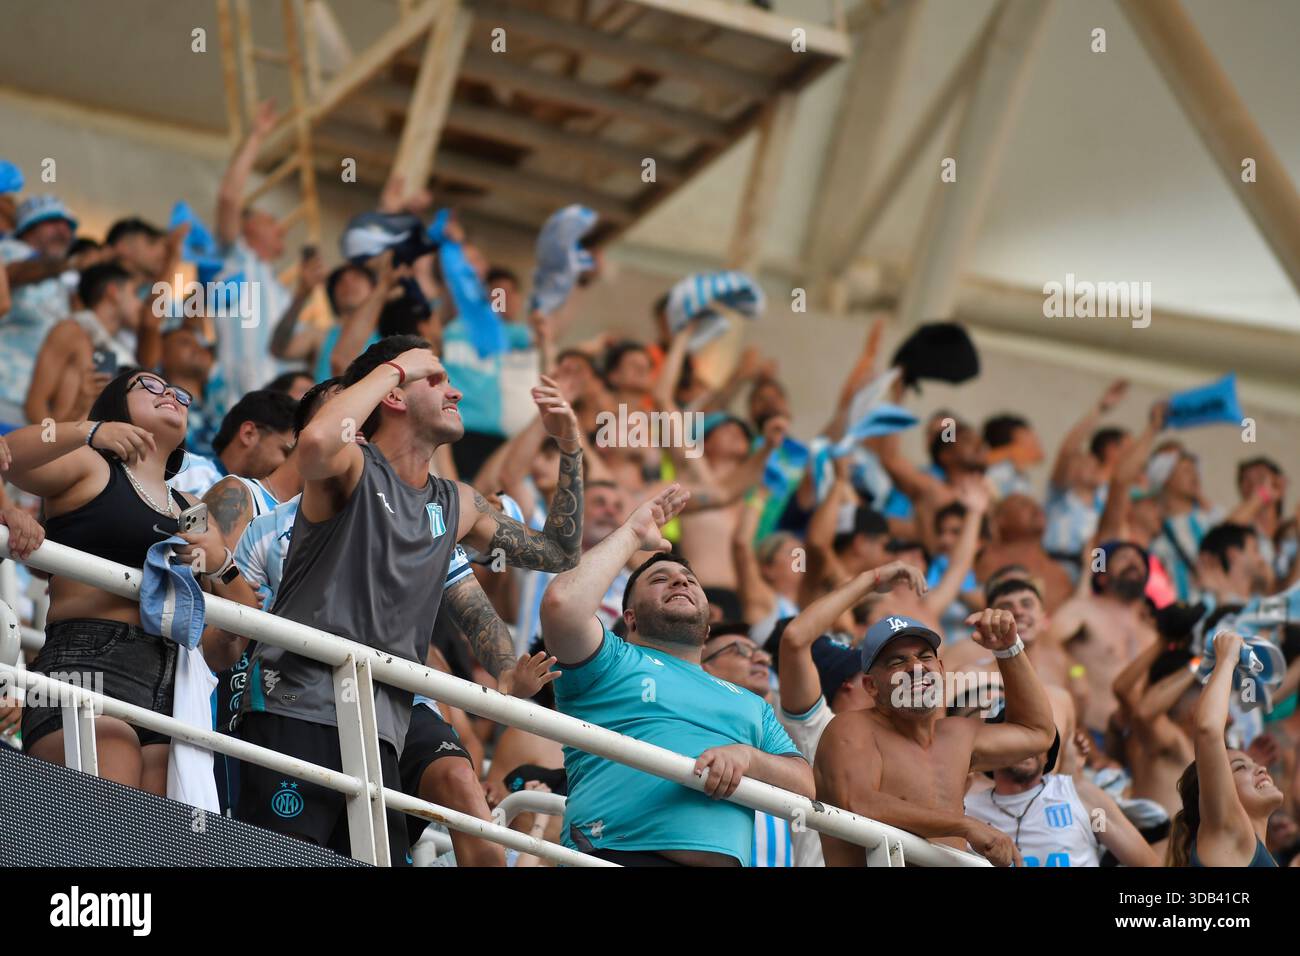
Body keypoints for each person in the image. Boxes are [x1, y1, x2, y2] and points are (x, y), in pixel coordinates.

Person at [233, 336, 584, 864]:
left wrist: (570, 450)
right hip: (296, 710)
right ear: (395, 394)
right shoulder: (350, 465)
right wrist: (396, 368)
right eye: (437, 379)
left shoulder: (458, 501)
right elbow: (314, 444)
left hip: (382, 732)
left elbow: (558, 551)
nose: (456, 392)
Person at [2, 368, 257, 792]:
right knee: (108, 830)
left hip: (170, 681)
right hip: (88, 661)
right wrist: (89, 431)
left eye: (178, 392)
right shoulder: (92, 465)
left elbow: (242, 618)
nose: (170, 395)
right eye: (150, 387)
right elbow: (9, 455)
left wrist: (219, 564)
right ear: (116, 406)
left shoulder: (190, 505)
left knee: (149, 844)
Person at [540, 484, 814, 866]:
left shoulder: (753, 703)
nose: (680, 581)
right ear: (629, 619)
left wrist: (748, 758)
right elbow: (561, 604)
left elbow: (805, 784)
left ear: (707, 628)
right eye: (659, 579)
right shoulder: (609, 660)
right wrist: (633, 533)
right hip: (612, 856)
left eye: (689, 580)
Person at [815, 608, 1056, 866]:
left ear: (940, 669)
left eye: (925, 657)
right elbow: (859, 804)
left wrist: (1009, 650)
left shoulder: (958, 734)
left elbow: (1038, 734)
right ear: (871, 686)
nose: (916, 667)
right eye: (897, 662)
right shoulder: (850, 727)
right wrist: (964, 825)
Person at [777, 560, 927, 866]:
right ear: (851, 684)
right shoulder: (817, 729)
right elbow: (795, 640)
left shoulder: (911, 739)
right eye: (884, 668)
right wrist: (871, 579)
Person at [1167, 629, 1283, 866]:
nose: (1260, 768)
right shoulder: (1227, 831)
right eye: (1241, 767)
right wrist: (1227, 658)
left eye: (1253, 764)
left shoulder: (1247, 846)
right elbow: (1208, 730)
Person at [964, 746, 1159, 867]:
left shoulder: (1082, 796)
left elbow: (1148, 864)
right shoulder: (967, 810)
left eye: (1038, 737)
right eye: (1020, 736)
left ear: (1049, 755)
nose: (1030, 746)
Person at [699, 626, 792, 866]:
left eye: (761, 653)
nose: (761, 658)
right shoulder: (692, 728)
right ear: (702, 667)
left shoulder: (778, 737)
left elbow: (807, 787)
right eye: (740, 651)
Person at [1047, 540, 1156, 736]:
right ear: (1102, 576)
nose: (1133, 562)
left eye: (1139, 560)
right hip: (1089, 734)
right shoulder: (1082, 610)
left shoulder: (1153, 630)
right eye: (1123, 558)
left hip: (1137, 742)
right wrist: (1075, 670)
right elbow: (1045, 646)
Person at [24, 261, 140, 425]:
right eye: (134, 293)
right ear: (113, 292)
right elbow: (35, 404)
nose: (140, 304)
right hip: (64, 443)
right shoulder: (71, 330)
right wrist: (50, 445)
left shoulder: (120, 348)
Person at [169, 389, 297, 498]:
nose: (289, 466)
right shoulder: (182, 471)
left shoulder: (274, 515)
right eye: (286, 452)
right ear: (249, 433)